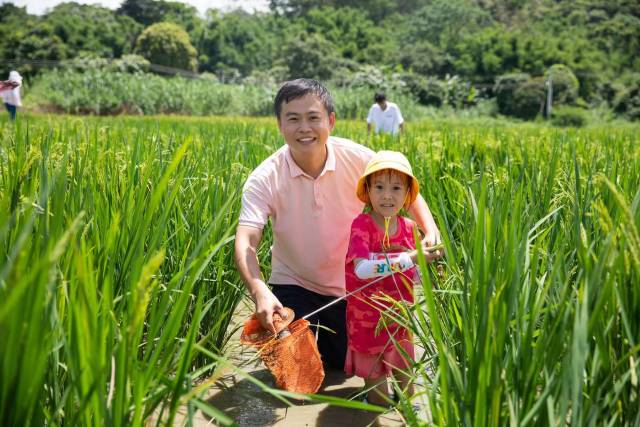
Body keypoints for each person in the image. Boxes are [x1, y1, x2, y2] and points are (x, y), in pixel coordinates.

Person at [234, 78, 442, 371]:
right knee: (294, 367)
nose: (304, 128)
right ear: (280, 125)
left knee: (344, 365)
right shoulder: (265, 177)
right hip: (294, 282)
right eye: (293, 119)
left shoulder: (356, 157)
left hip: (355, 287)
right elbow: (246, 242)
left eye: (313, 118)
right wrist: (260, 292)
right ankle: (279, 333)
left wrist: (430, 231)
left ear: (330, 121)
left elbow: (404, 189)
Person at [344, 150, 427, 405]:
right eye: (378, 187)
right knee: (379, 402)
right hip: (367, 320)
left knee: (408, 396)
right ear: (368, 191)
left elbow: (416, 276)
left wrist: (424, 264)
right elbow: (361, 269)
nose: (387, 196)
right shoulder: (362, 225)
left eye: (396, 188)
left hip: (400, 320)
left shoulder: (410, 228)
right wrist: (408, 259)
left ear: (407, 194)